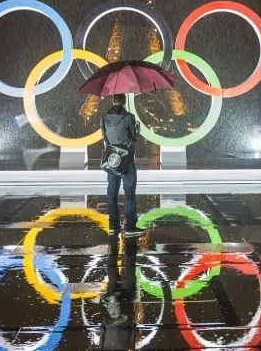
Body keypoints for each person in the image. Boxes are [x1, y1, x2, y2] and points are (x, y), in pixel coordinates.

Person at [101, 94, 144, 238]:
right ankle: (130, 227)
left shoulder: (104, 117)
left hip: (112, 158)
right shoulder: (129, 117)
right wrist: (136, 129)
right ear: (124, 102)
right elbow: (133, 138)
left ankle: (113, 226)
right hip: (126, 159)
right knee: (129, 192)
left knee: (111, 193)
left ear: (113, 101)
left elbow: (105, 139)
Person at [99, 238, 138, 350]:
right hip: (119, 313)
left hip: (122, 312)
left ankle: (124, 245)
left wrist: (131, 322)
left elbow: (133, 336)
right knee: (117, 276)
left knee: (127, 273)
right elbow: (102, 335)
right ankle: (116, 246)